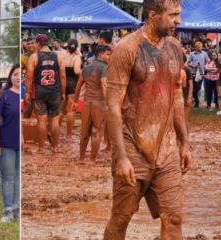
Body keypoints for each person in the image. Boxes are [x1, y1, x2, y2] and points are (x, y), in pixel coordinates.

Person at [103, 0, 192, 239]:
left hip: (167, 150)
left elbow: (176, 98)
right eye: (173, 15)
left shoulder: (175, 47)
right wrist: (121, 157)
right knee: (121, 217)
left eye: (179, 14)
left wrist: (184, 143)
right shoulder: (127, 48)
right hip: (133, 148)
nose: (179, 21)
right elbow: (113, 106)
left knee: (174, 218)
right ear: (152, 15)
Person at [25, 34, 66, 153]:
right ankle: (55, 146)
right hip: (55, 91)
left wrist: (27, 92)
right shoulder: (58, 56)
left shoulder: (34, 57)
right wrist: (63, 92)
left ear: (38, 44)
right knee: (54, 120)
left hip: (40, 92)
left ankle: (42, 147)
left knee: (41, 120)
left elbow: (29, 77)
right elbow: (63, 76)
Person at [0, 64, 20, 222]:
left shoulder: (28, 95)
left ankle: (16, 208)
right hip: (6, 142)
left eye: (22, 74)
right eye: (15, 74)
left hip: (22, 144)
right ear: (10, 77)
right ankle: (7, 209)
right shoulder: (3, 96)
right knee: (8, 176)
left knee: (17, 177)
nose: (19, 77)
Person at [74, 45, 110, 162]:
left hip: (87, 103)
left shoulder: (86, 68)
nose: (109, 57)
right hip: (99, 102)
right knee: (96, 132)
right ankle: (93, 159)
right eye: (107, 54)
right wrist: (108, 103)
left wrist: (75, 101)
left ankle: (81, 158)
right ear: (100, 54)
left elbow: (79, 85)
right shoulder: (104, 68)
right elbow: (104, 85)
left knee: (84, 132)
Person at [59, 39, 82, 139]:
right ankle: (69, 134)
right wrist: (83, 77)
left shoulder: (61, 55)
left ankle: (55, 129)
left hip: (61, 83)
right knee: (71, 110)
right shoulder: (76, 58)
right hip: (72, 84)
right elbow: (77, 71)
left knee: (61, 110)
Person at [188, 41, 209, 107]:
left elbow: (208, 61)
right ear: (196, 47)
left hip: (201, 73)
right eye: (198, 47)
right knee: (193, 88)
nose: (200, 48)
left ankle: (196, 101)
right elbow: (188, 63)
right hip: (193, 73)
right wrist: (193, 66)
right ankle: (197, 102)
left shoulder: (204, 53)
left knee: (198, 88)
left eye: (201, 47)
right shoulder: (192, 54)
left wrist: (205, 65)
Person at [181, 54, 193, 132]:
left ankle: (186, 139)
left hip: (185, 95)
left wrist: (189, 97)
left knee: (185, 119)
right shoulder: (176, 70)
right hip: (179, 96)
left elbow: (191, 85)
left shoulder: (187, 70)